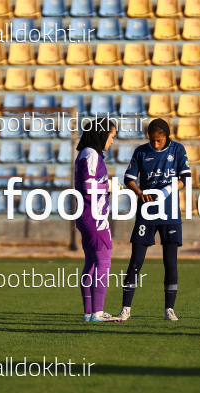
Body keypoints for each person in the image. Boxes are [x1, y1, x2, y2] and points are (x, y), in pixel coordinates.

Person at [117, 119, 191, 321]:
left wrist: (166, 190)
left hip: (170, 214)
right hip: (146, 212)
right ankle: (125, 308)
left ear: (166, 136)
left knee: (170, 262)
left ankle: (169, 309)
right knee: (136, 261)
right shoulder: (141, 151)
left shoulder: (177, 149)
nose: (156, 145)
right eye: (153, 140)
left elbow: (185, 178)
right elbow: (129, 178)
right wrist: (140, 192)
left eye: (160, 140)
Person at [75, 118, 122, 322]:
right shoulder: (92, 154)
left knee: (91, 264)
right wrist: (109, 186)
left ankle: (89, 313)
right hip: (95, 217)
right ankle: (97, 313)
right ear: (101, 134)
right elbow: (89, 186)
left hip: (85, 215)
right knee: (103, 263)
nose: (112, 141)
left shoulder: (85, 153)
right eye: (111, 136)